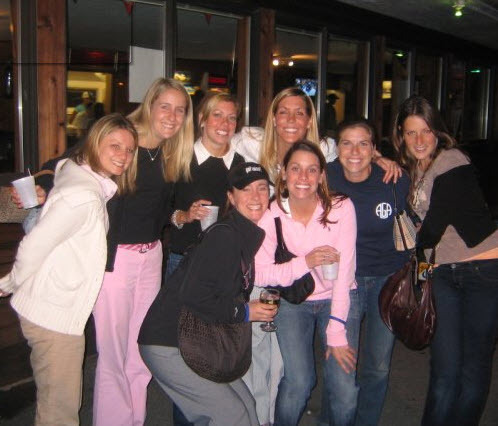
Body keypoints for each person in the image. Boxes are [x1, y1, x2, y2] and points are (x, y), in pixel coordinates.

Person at [0, 113, 138, 426]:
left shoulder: (77, 171)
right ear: (94, 143)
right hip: (54, 315)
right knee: (60, 412)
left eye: (130, 150)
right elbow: (34, 245)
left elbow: (62, 164)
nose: (124, 155)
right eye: (115, 145)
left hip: (49, 308)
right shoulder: (83, 196)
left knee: (54, 401)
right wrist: (9, 282)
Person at [138, 162, 277, 425]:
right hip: (169, 342)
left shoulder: (244, 234)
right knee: (232, 415)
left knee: (248, 407)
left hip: (198, 338)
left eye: (261, 188)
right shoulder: (225, 236)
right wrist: (245, 312)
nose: (256, 196)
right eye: (246, 189)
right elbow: (195, 296)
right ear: (231, 197)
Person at [92, 78, 195, 426]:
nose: (172, 116)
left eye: (180, 110)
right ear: (149, 105)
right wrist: (44, 184)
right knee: (113, 356)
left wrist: (180, 216)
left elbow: (157, 209)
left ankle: (134, 420)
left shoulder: (170, 152)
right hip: (115, 261)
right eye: (165, 106)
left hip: (151, 256)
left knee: (140, 349)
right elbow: (71, 163)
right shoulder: (123, 139)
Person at [392, 95, 498, 426]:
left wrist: (415, 268)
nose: (419, 140)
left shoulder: (451, 160)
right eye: (411, 132)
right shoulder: (415, 169)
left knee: (473, 367)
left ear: (437, 132)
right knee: (444, 367)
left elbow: (431, 229)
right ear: (401, 136)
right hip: (445, 274)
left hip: (483, 270)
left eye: (426, 131)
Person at [254, 140, 357, 426]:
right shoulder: (271, 214)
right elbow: (260, 273)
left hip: (337, 298)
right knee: (299, 383)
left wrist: (336, 329)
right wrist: (305, 262)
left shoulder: (341, 208)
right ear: (283, 173)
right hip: (293, 302)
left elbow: (345, 273)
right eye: (295, 168)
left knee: (345, 389)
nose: (303, 177)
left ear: (322, 176)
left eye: (312, 170)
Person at [325, 118, 411, 425]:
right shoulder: (325, 176)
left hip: (387, 281)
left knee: (378, 365)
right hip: (344, 282)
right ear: (337, 148)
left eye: (363, 144)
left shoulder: (395, 180)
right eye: (347, 143)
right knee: (341, 363)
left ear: (374, 149)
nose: (355, 151)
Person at [166, 92, 245, 276]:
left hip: (224, 260)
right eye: (217, 115)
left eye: (231, 118)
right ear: (202, 119)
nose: (225, 124)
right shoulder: (180, 158)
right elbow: (161, 210)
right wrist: (184, 216)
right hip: (184, 259)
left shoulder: (239, 164)